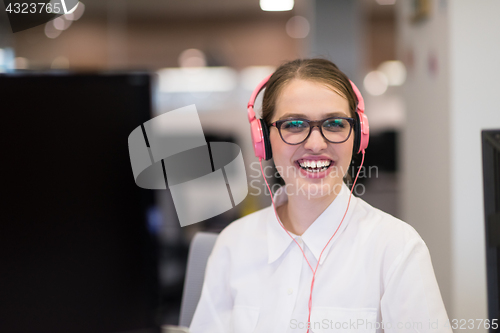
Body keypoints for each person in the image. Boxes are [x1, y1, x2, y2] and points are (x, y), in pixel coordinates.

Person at [189, 58, 451, 333]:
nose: (316, 144)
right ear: (264, 138)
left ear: (358, 135)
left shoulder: (396, 247)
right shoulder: (233, 244)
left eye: (335, 123)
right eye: (294, 125)